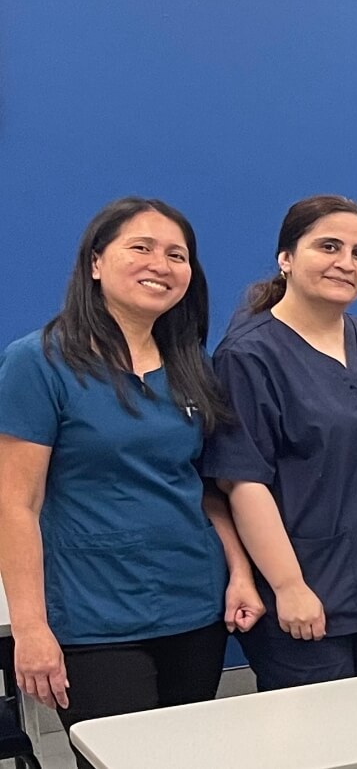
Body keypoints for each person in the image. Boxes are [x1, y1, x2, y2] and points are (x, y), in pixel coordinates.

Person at [1, 198, 253, 733]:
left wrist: (239, 572)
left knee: (191, 756)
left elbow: (206, 488)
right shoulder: (38, 363)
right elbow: (15, 503)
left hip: (194, 607)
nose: (160, 265)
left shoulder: (191, 366)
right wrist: (30, 627)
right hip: (94, 619)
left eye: (176, 255)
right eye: (140, 247)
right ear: (95, 262)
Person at [205, 196, 357, 693]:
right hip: (301, 595)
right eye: (329, 246)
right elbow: (243, 482)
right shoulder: (248, 355)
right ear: (287, 258)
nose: (346, 263)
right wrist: (288, 587)